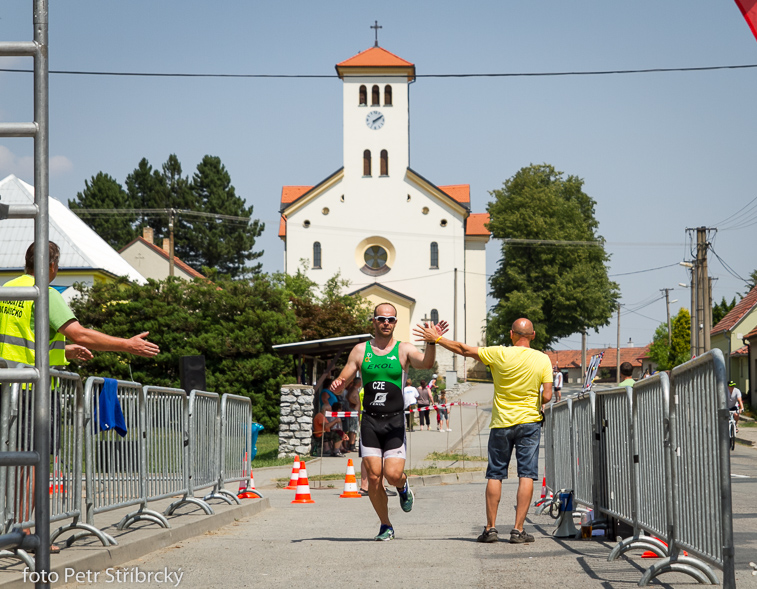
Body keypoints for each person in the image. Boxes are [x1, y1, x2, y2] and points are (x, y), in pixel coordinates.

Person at [414, 317, 552, 544]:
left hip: (501, 423)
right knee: (526, 474)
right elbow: (547, 395)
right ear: (533, 335)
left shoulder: (498, 353)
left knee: (495, 474)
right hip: (529, 422)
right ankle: (518, 530)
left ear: (511, 334)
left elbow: (463, 349)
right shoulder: (542, 359)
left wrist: (436, 339)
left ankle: (490, 529)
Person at [330, 303, 446, 541]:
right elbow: (345, 374)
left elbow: (425, 363)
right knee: (374, 476)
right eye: (382, 319)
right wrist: (339, 383)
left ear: (395, 323)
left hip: (394, 421)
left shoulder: (403, 349)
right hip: (370, 421)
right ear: (374, 321)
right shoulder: (361, 350)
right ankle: (385, 525)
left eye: (391, 319)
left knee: (392, 475)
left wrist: (432, 342)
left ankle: (403, 487)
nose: (386, 323)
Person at [0, 242, 160, 365]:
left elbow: (18, 340)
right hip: (31, 388)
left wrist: (64, 351)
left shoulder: (6, 288)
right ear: (52, 266)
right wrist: (127, 345)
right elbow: (79, 334)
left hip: (6, 381)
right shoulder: (45, 293)